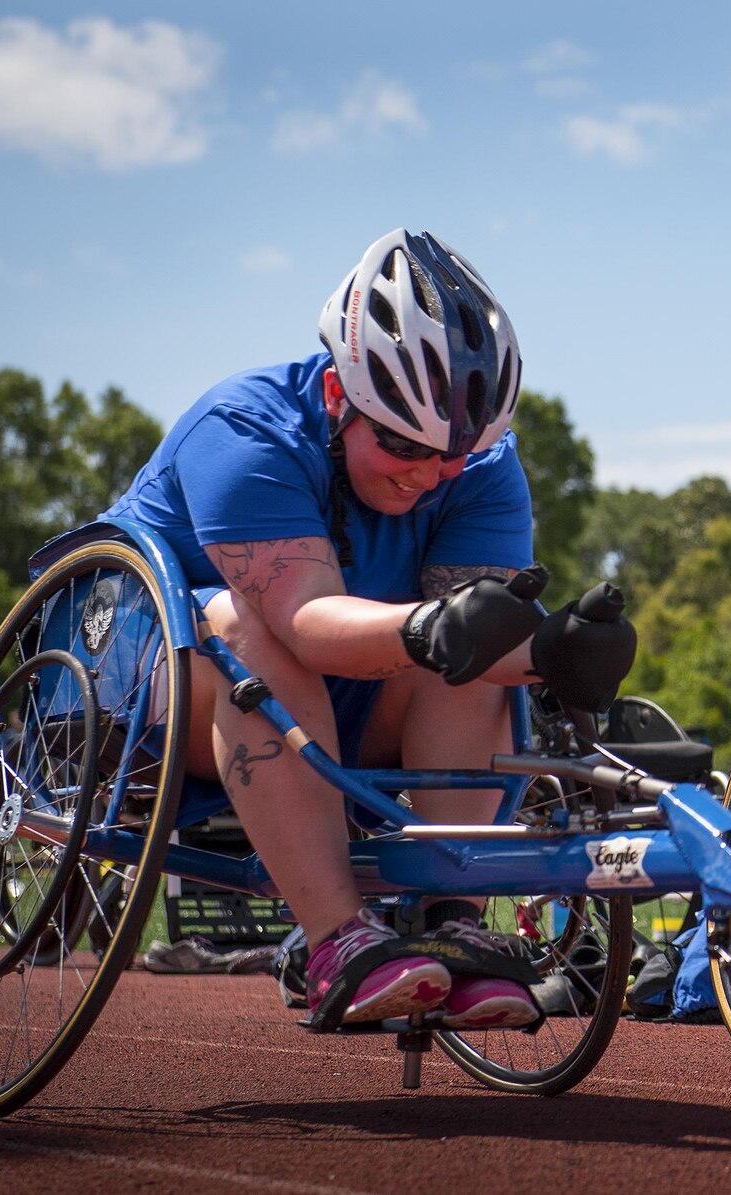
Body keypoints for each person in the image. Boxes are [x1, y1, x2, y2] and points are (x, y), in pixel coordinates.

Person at [105, 229, 554, 1029]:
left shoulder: (481, 468)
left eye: (452, 457)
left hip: (336, 696)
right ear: (341, 396)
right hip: (145, 675)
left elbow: (477, 625)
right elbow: (304, 622)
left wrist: (556, 650)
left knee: (475, 649)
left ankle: (451, 920)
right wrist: (436, 625)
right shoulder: (245, 432)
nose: (427, 474)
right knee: (249, 624)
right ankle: (334, 941)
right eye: (403, 444)